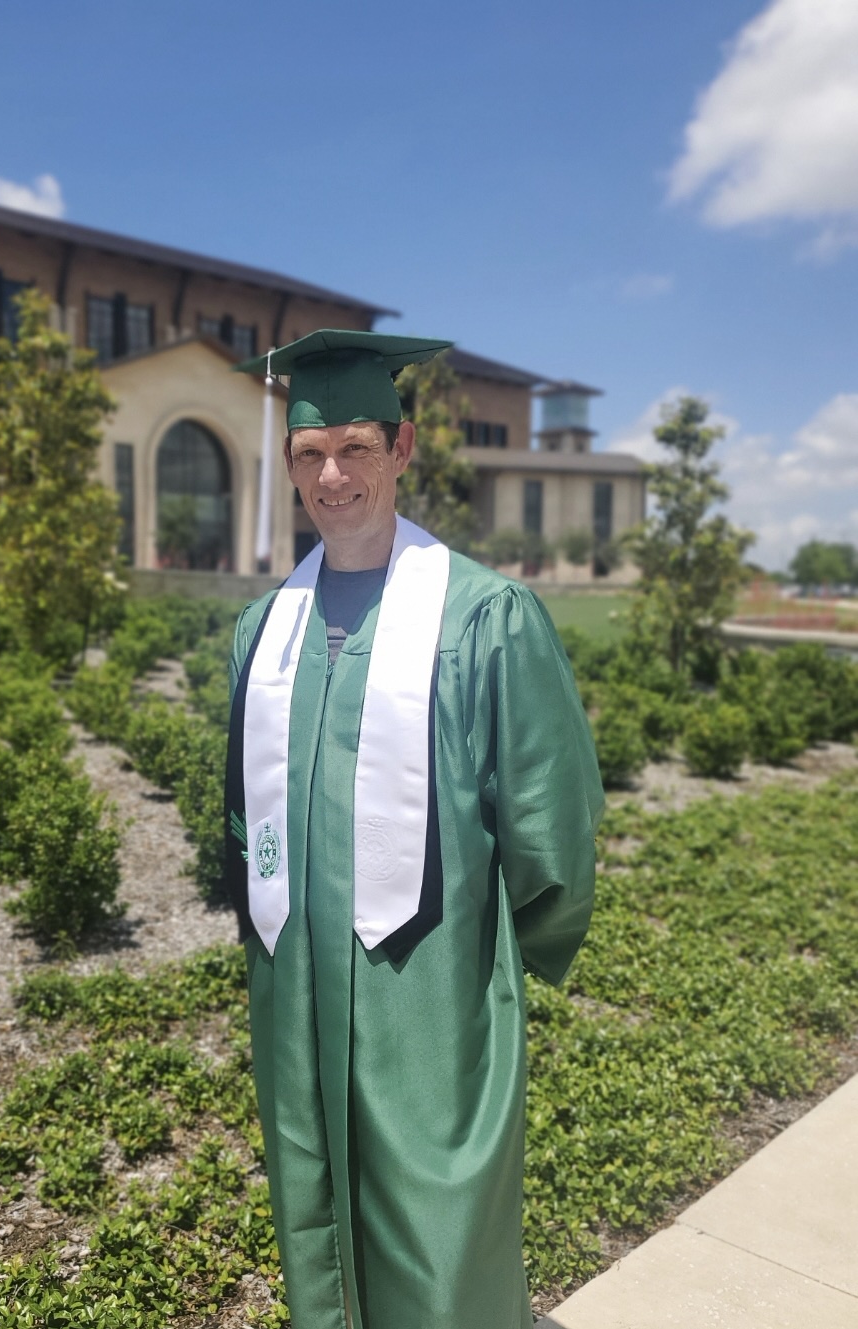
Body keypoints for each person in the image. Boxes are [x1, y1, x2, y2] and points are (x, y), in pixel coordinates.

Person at [225, 329, 604, 1329]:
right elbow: (242, 817)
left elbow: (550, 831)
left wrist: (471, 973)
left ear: (402, 449)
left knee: (437, 1252)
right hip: (295, 997)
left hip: (427, 1002)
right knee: (313, 1228)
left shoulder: (486, 618)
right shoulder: (261, 632)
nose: (331, 476)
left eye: (353, 448)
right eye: (309, 455)